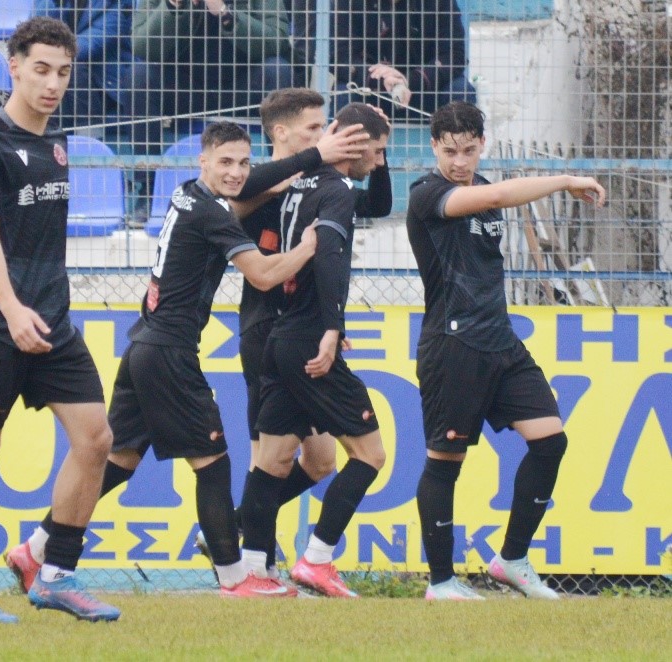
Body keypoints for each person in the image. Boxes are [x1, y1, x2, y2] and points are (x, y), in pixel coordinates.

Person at [8, 120, 319, 598]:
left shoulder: (187, 194)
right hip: (170, 352)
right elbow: (261, 274)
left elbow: (229, 209)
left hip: (144, 346)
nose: (236, 172)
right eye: (225, 162)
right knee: (212, 464)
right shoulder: (212, 212)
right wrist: (307, 248)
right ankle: (235, 577)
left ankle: (36, 547)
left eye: (244, 163)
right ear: (203, 160)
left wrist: (266, 188)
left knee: (119, 461)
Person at [0, 16, 121, 624]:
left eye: (63, 72)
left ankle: (56, 574)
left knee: (96, 439)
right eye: (41, 69)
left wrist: (39, 310)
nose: (52, 83)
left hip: (52, 322)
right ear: (14, 66)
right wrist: (13, 308)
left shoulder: (57, 146)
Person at [406, 101, 606, 600]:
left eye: (468, 151)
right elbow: (498, 195)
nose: (459, 162)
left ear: (481, 146)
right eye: (449, 151)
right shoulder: (428, 194)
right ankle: (441, 582)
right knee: (445, 460)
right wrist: (564, 180)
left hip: (500, 341)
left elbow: (493, 198)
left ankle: (512, 559)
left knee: (550, 441)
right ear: (434, 148)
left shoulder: (484, 187)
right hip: (454, 343)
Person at [213, 87, 392, 579]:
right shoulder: (260, 183)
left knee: (318, 463)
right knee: (268, 455)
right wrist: (319, 155)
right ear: (281, 132)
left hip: (296, 329)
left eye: (324, 127)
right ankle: (259, 562)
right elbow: (240, 193)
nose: (324, 136)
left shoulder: (314, 183)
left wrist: (377, 150)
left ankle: (238, 529)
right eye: (314, 128)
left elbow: (375, 204)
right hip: (264, 329)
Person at [120, 0, 294, 226]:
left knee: (278, 70)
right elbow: (142, 46)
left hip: (241, 85)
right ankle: (147, 190)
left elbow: (277, 40)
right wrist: (174, 7)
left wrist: (225, 13)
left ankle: (280, 187)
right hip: (183, 87)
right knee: (139, 76)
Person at [292, 0, 475, 118]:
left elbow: (454, 55)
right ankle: (341, 167)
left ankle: (459, 163)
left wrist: (409, 80)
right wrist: (380, 77)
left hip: (424, 89)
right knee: (345, 96)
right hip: (371, 89)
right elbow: (339, 56)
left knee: (461, 91)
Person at [32, 0, 133, 140]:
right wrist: (53, 3)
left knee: (69, 68)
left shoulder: (116, 3)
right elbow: (36, 32)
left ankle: (89, 139)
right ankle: (50, 138)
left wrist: (51, 53)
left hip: (105, 87)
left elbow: (93, 42)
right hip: (65, 85)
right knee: (45, 70)